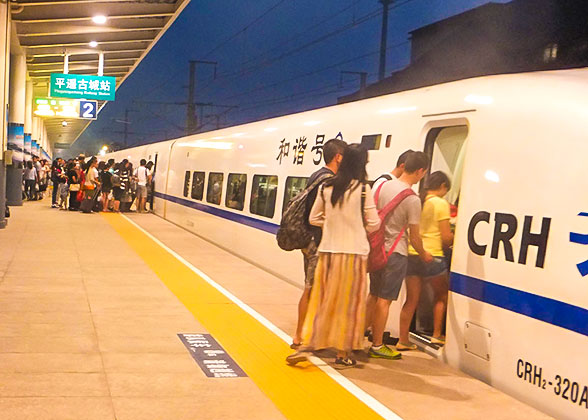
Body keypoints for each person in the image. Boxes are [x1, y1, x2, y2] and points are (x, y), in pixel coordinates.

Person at [287, 144, 381, 369]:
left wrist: (332, 225)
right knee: (349, 304)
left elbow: (314, 219)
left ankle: (310, 342)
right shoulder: (364, 190)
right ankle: (343, 353)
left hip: (328, 252)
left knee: (324, 300)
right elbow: (375, 223)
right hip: (355, 254)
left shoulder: (327, 188)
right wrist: (359, 228)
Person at [367, 151, 432, 359]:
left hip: (375, 250)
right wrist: (424, 254)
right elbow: (414, 237)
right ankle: (377, 345)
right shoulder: (412, 199)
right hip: (395, 254)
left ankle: (358, 334)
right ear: (421, 171)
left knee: (373, 295)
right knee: (385, 301)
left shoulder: (383, 184)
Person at [291, 138, 347, 349]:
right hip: (318, 242)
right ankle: (300, 335)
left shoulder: (316, 175)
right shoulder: (328, 180)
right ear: (338, 157)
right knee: (312, 289)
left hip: (309, 240)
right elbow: (321, 215)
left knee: (312, 288)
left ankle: (307, 333)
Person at [402, 171, 454, 348]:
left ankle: (403, 340)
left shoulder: (418, 200)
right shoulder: (441, 204)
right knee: (441, 295)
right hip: (433, 256)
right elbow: (446, 237)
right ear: (442, 187)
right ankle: (436, 335)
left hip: (412, 253)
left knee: (412, 299)